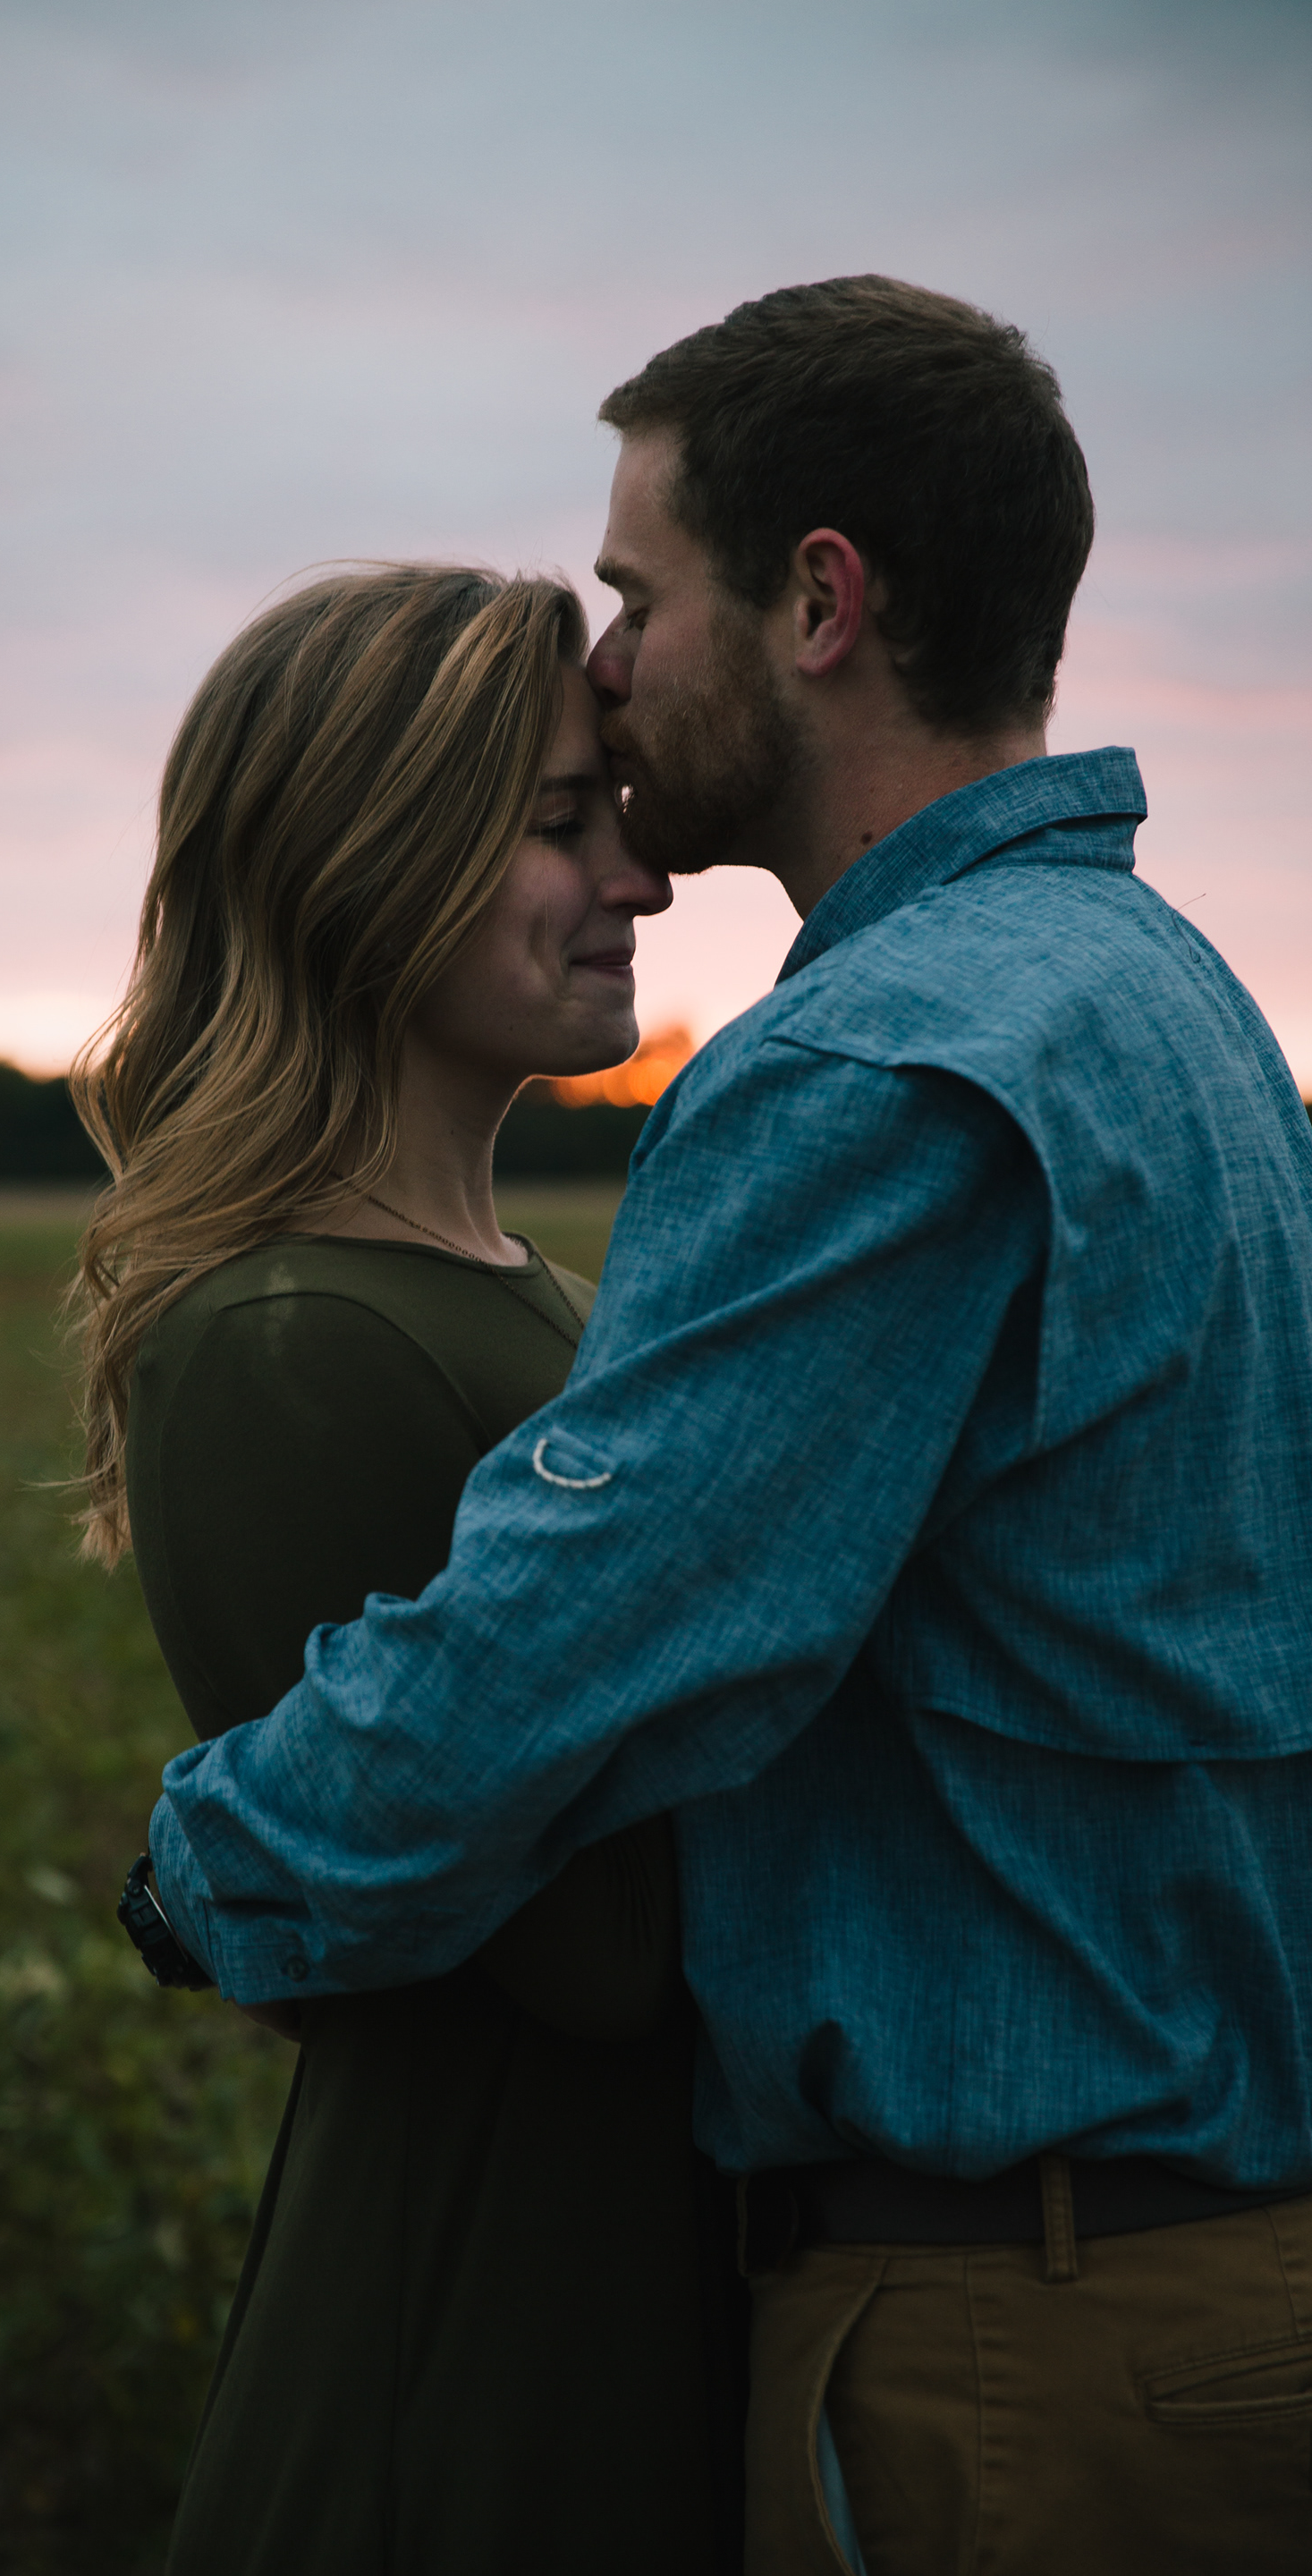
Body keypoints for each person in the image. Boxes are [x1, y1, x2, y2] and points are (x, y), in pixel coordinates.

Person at [143, 277, 1312, 2576]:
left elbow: (584, 1629)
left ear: (817, 600)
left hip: (1023, 2345)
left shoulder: (882, 1064)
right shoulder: (1176, 1005)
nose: (610, 660)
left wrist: (203, 1878)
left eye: (634, 595)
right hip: (1192, 2276)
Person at [71, 565, 747, 2576]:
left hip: (631, 2308)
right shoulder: (295, 1342)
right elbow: (599, 1947)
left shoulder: (531, 1293)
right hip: (476, 2374)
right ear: (373, 861)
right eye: (561, 822)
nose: (639, 874)